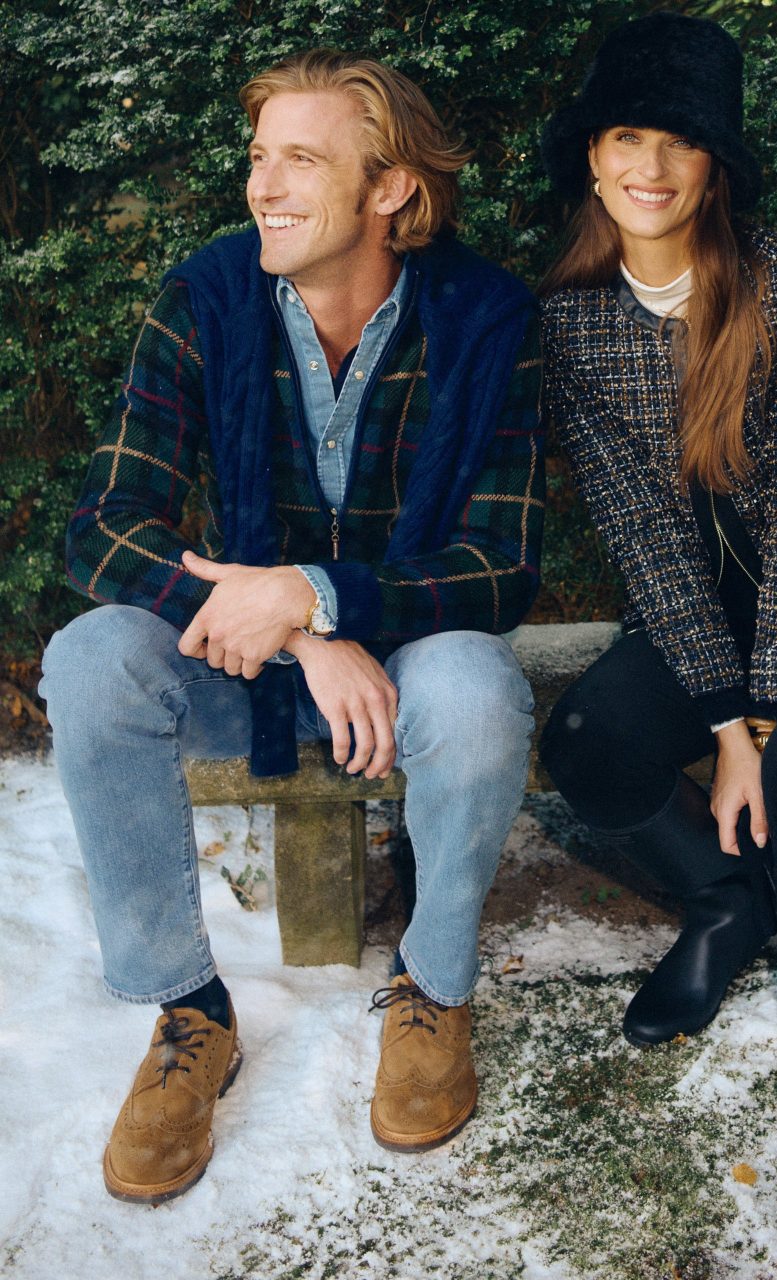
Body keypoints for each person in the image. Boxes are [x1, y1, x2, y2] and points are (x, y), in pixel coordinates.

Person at [40, 48, 544, 1205]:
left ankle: (434, 989)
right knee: (92, 657)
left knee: (478, 688)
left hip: (409, 665)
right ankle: (189, 1010)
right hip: (251, 669)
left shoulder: (484, 317)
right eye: (259, 156)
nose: (262, 185)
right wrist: (298, 627)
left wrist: (322, 592)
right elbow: (104, 528)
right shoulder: (208, 296)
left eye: (301, 159)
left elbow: (502, 566)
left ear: (390, 188)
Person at [537, 13, 777, 1280]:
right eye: (627, 137)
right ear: (593, 156)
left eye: (681, 141)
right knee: (588, 741)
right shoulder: (575, 316)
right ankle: (726, 901)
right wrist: (718, 714)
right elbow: (643, 532)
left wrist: (759, 726)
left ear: (716, 164)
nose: (651, 166)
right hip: (702, 615)